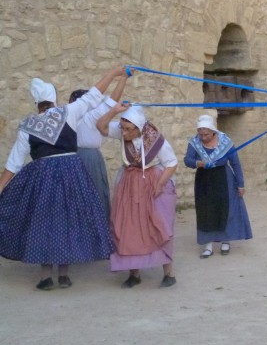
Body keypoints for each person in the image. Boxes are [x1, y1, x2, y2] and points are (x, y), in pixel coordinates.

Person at [0, 66, 128, 290]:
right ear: (54, 99)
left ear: (37, 103)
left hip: (43, 177)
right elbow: (95, 95)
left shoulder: (27, 125)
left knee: (44, 222)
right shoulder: (68, 112)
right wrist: (114, 73)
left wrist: (1, 187)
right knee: (69, 220)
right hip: (72, 173)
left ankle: (46, 276)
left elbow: (14, 162)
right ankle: (65, 275)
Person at [96, 103, 179, 288]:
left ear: (138, 129)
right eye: (122, 129)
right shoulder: (123, 131)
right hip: (129, 184)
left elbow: (172, 163)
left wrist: (159, 185)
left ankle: (168, 273)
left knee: (158, 226)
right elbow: (101, 126)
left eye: (127, 130)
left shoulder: (157, 141)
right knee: (128, 227)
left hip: (152, 184)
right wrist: (114, 111)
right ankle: (134, 273)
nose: (123, 133)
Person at [183, 112, 252, 258]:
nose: (203, 137)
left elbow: (235, 163)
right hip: (204, 180)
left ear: (213, 132)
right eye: (201, 134)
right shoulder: (194, 143)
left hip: (224, 179)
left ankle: (225, 241)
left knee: (224, 209)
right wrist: (197, 163)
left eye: (206, 134)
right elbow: (187, 160)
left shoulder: (226, 142)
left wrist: (240, 184)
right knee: (205, 211)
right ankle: (208, 246)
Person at [69, 75, 129, 220]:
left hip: (72, 158)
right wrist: (124, 77)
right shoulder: (90, 117)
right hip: (89, 159)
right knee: (95, 195)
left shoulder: (68, 117)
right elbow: (112, 101)